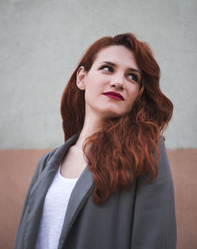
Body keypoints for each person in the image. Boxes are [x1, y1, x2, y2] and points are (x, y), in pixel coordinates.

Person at [14, 33, 177, 249]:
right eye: (108, 68)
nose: (119, 82)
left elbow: (155, 240)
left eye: (132, 77)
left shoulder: (146, 151)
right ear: (82, 78)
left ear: (137, 93)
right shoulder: (46, 164)